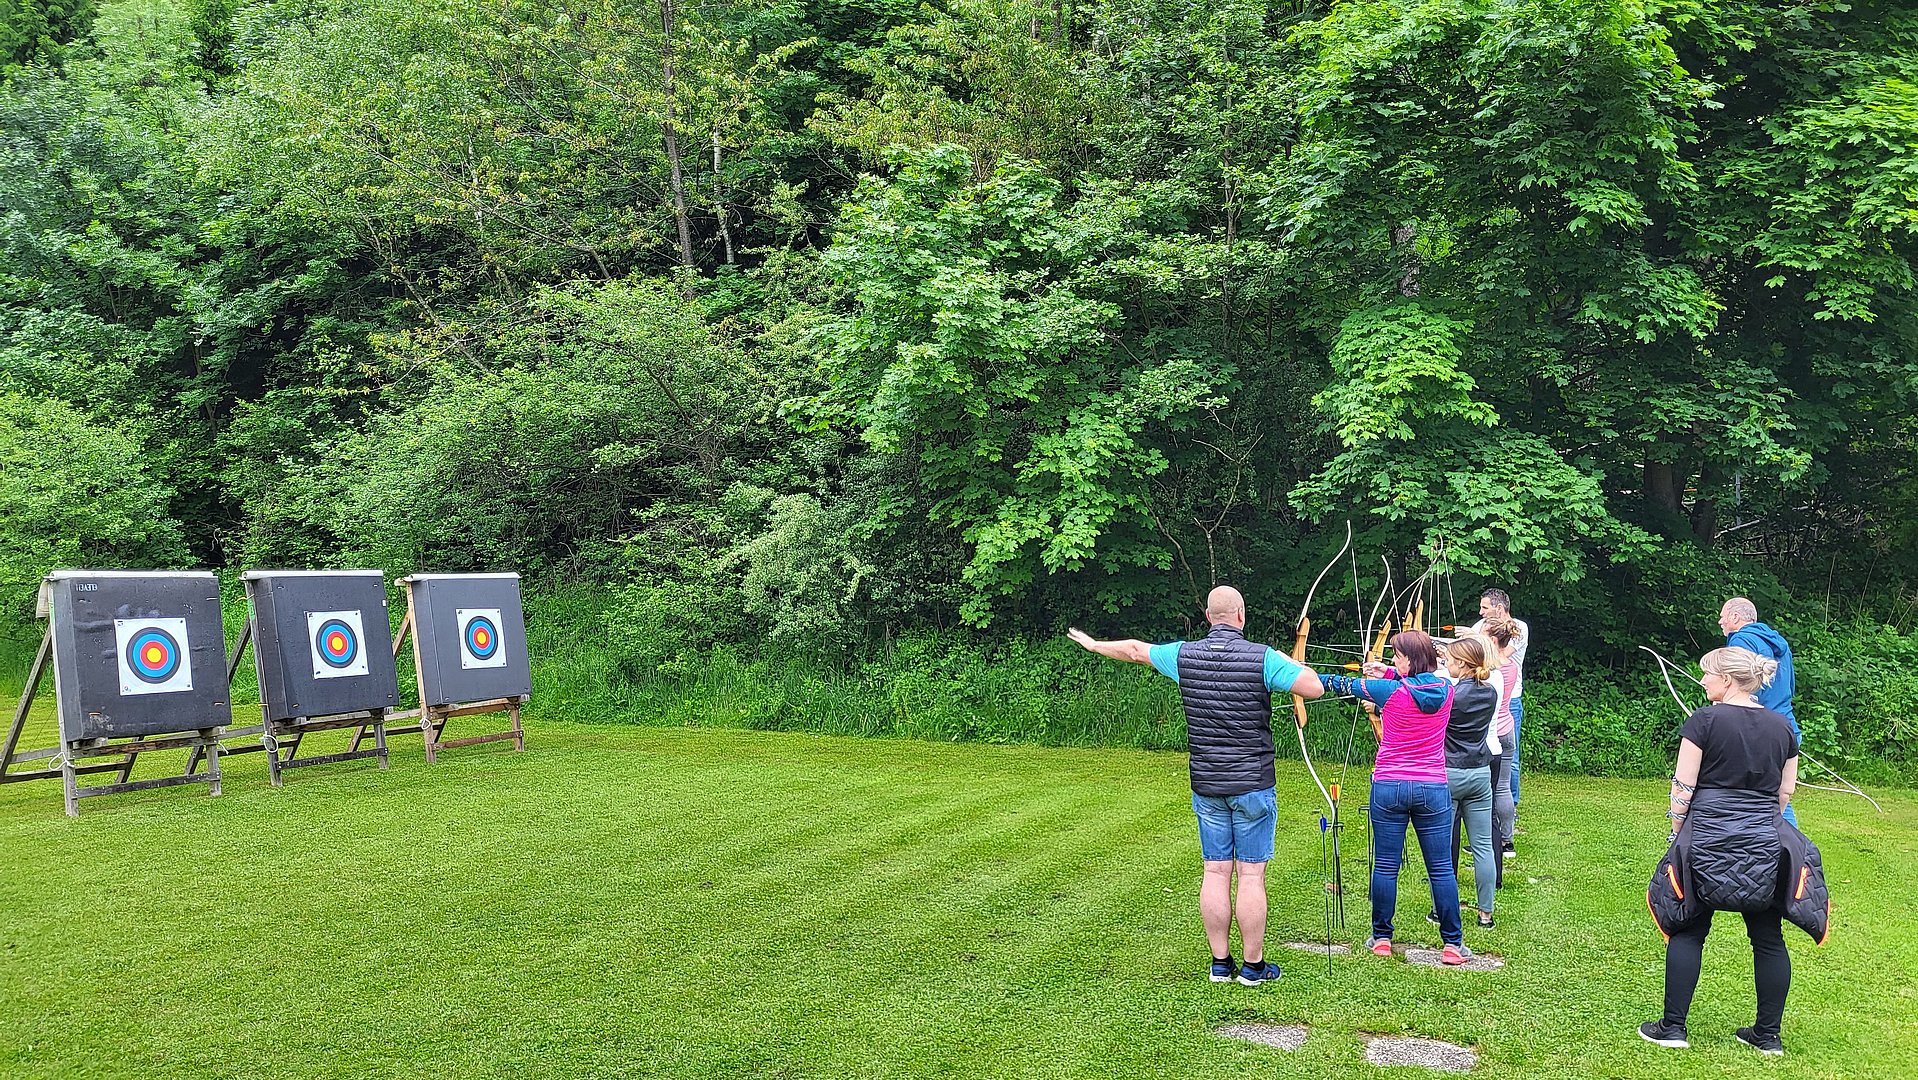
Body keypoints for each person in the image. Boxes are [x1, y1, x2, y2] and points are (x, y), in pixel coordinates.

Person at [1066, 585, 1324, 987]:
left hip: (1207, 781)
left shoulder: (1184, 654)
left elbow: (1135, 649)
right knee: (1251, 876)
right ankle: (1253, 968)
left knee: (1216, 871)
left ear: (1208, 617)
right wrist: (1289, 662)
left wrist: (1095, 644)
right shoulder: (1262, 658)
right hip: (1252, 782)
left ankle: (1220, 964)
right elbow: (1313, 686)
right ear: (1241, 615)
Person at [1641, 647, 1827, 1057]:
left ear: (1727, 680)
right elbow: (1785, 791)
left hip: (1706, 835)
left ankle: (1673, 1027)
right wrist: (1760, 819)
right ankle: (1768, 1036)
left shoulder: (1703, 721)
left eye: (1708, 675)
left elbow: (1683, 786)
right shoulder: (1782, 727)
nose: (1703, 681)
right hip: (1763, 840)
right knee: (1768, 938)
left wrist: (1677, 830)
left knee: (1688, 929)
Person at [1320, 630, 1471, 965]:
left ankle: (1382, 938)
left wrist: (1294, 671)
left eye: (1397, 656)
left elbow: (1336, 684)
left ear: (1410, 659)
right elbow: (1417, 686)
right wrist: (1386, 673)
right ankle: (1452, 945)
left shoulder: (1389, 693)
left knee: (1387, 866)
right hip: (1432, 788)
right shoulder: (1446, 688)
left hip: (1389, 785)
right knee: (1441, 868)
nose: (1393, 660)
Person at [1719, 597, 1800, 826]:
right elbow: (1790, 687)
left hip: (1757, 729)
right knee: (1778, 794)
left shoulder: (1741, 640)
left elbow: (1740, 687)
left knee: (1747, 795)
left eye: (1723, 615)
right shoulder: (1780, 643)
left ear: (1735, 617)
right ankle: (1798, 854)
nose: (1720, 621)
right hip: (1786, 725)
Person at [1436, 635, 1499, 928]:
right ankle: (1486, 914)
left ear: (1462, 663)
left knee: (1442, 845)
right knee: (1483, 846)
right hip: (1479, 774)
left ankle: (1442, 911)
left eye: (1448, 660)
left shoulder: (1451, 695)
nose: (1445, 663)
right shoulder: (1489, 693)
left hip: (1449, 773)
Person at [1472, 588, 1530, 838]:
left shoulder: (1518, 628)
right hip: (1485, 700)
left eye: (1485, 607)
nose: (1481, 612)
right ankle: (1490, 816)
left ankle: (1508, 812)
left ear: (1499, 608)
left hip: (1509, 701)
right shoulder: (1479, 626)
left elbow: (1495, 658)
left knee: (1509, 763)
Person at [1478, 616, 1521, 868]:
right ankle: (1507, 840)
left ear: (1493, 640)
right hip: (1508, 730)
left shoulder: (1488, 669)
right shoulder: (1511, 664)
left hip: (1490, 734)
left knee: (1484, 792)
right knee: (1503, 787)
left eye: (1483, 635)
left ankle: (1484, 840)